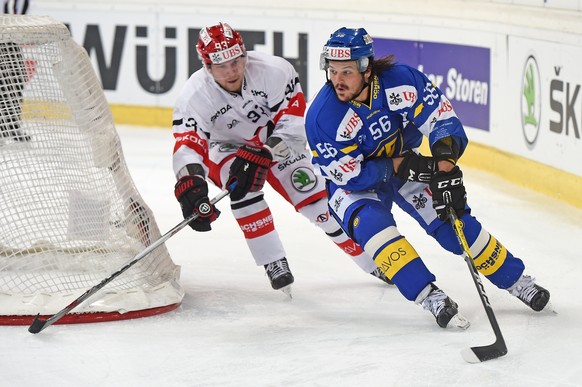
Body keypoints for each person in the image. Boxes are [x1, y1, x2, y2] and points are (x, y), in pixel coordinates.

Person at [305, 27, 551, 328]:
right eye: (331, 70)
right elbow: (350, 175)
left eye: (346, 71)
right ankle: (428, 295)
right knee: (374, 228)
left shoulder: (400, 81)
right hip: (353, 185)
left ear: (366, 69)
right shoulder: (322, 116)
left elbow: (441, 119)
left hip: (405, 165)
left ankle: (516, 281)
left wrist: (445, 170)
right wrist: (395, 165)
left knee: (453, 224)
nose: (337, 80)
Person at [171, 22, 392, 295]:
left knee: (319, 203)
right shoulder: (194, 96)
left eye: (236, 61)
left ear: (244, 54)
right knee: (242, 189)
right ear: (207, 66)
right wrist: (190, 182)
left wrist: (266, 152)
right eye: (221, 65)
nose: (231, 70)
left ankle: (373, 262)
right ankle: (273, 260)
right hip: (225, 147)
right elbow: (188, 144)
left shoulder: (274, 70)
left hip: (277, 141)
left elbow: (294, 120)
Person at [1, 0, 31, 142]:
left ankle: (12, 126)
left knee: (17, 81)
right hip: (2, 38)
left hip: (12, 41)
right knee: (3, 83)